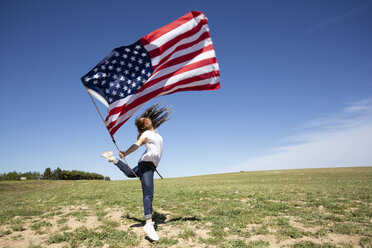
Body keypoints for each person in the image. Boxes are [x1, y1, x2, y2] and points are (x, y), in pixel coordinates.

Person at [100, 103, 172, 241]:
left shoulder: (155, 132)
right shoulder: (146, 134)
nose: (147, 119)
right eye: (145, 120)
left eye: (147, 118)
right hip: (146, 165)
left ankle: (112, 158)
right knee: (148, 194)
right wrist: (126, 153)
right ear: (144, 126)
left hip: (148, 165)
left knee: (129, 173)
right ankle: (148, 224)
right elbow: (137, 144)